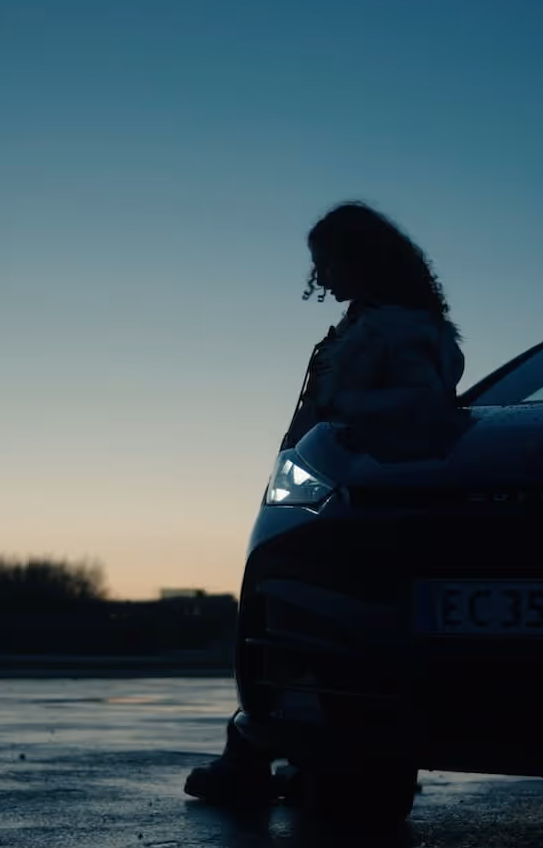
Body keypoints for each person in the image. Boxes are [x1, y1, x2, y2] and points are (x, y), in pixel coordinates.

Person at [185, 201, 466, 806]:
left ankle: (260, 758)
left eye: (328, 262)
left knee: (314, 622)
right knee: (307, 626)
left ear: (362, 260)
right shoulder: (369, 325)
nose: (321, 276)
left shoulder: (402, 331)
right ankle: (310, 763)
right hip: (325, 489)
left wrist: (337, 421)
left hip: (357, 503)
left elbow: (424, 409)